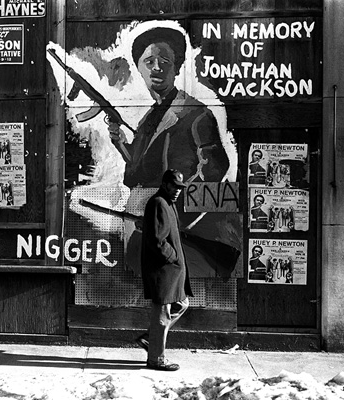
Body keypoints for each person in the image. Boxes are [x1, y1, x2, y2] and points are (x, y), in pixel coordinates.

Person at [108, 27, 229, 188]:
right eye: (149, 62)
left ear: (177, 68)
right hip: (140, 207)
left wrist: (175, 201)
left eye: (165, 62)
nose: (157, 68)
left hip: (170, 210)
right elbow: (138, 164)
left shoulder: (197, 115)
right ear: (139, 68)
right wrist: (120, 143)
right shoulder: (148, 119)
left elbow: (215, 169)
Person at [134, 169, 193, 371]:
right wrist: (172, 257)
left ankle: (150, 339)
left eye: (180, 188)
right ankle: (156, 359)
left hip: (170, 270)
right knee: (162, 314)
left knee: (182, 304)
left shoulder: (166, 203)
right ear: (165, 184)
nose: (177, 191)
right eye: (174, 186)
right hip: (163, 270)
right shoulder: (159, 202)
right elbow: (157, 241)